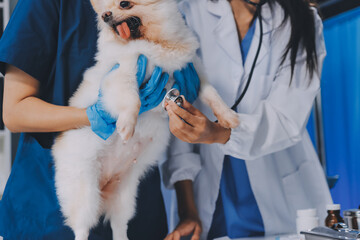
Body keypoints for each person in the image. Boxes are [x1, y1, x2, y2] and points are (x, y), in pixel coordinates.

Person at [0, 0, 199, 239]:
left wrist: (188, 209)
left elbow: (176, 124)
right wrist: (95, 116)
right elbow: (14, 112)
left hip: (137, 214)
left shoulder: (155, 5)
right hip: (51, 213)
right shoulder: (47, 4)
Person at [162, 0, 333, 239]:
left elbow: (286, 119)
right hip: (210, 200)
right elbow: (178, 127)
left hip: (282, 194)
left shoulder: (301, 20)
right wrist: (188, 212)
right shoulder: (187, 12)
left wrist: (218, 133)